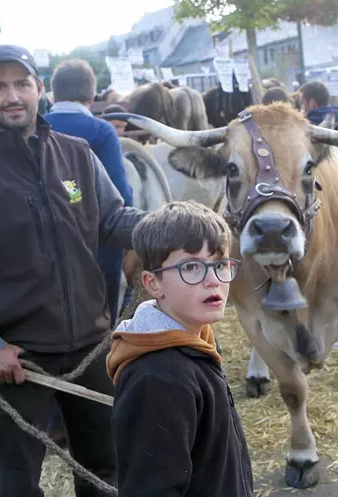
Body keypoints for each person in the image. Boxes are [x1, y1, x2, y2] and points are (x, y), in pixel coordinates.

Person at [0, 44, 147, 496]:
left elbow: (113, 219)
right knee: (18, 483)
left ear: (39, 89)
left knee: (106, 472)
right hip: (18, 361)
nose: (12, 96)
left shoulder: (77, 155)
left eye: (22, 84)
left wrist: (168, 226)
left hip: (91, 346)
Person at [106, 201, 254, 497]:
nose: (212, 280)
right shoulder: (158, 379)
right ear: (153, 283)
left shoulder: (196, 345)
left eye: (220, 264)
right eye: (191, 267)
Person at [45, 59, 133, 328]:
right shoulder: (101, 131)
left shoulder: (35, 126)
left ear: (54, 93)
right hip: (95, 242)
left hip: (42, 241)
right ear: (92, 95)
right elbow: (120, 195)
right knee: (102, 318)